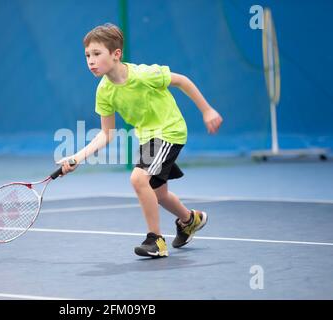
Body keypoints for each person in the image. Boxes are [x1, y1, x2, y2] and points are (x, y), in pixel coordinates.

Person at [58, 23, 223, 258]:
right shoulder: (104, 91)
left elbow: (182, 81)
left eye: (96, 54)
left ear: (116, 55)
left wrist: (207, 110)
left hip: (169, 130)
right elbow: (106, 133)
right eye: (87, 56)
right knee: (157, 191)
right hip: (148, 137)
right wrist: (78, 157)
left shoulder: (144, 75)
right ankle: (189, 220)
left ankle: (155, 240)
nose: (91, 61)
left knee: (138, 179)